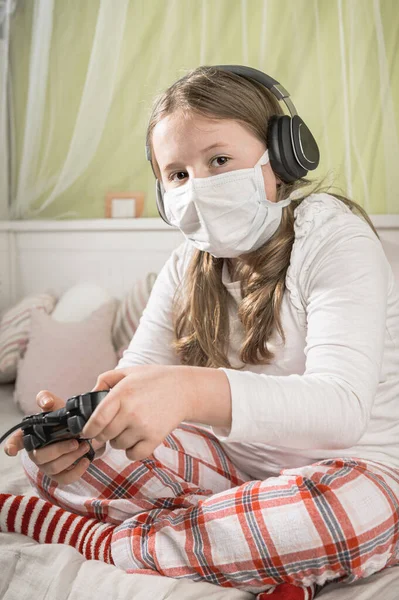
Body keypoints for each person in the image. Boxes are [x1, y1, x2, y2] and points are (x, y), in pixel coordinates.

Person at [1, 65, 399, 600]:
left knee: (356, 515)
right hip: (232, 468)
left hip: (354, 468)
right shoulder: (187, 263)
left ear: (282, 158)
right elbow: (135, 378)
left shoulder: (334, 238)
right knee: (44, 460)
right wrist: (86, 428)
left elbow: (342, 408)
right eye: (179, 174)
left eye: (218, 160)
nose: (200, 186)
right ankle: (250, 548)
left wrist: (190, 389)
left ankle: (101, 541)